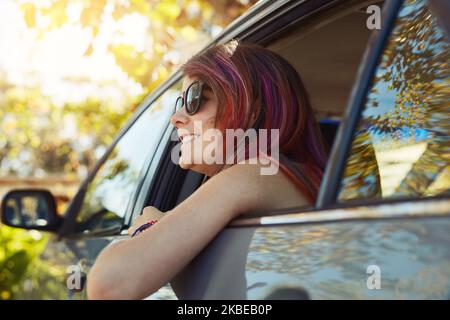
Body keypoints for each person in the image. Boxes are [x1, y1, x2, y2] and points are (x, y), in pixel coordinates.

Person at [87, 40, 327, 300]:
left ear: (252, 107)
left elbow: (109, 284)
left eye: (195, 98)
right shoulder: (286, 176)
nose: (175, 117)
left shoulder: (259, 171)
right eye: (180, 101)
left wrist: (149, 225)